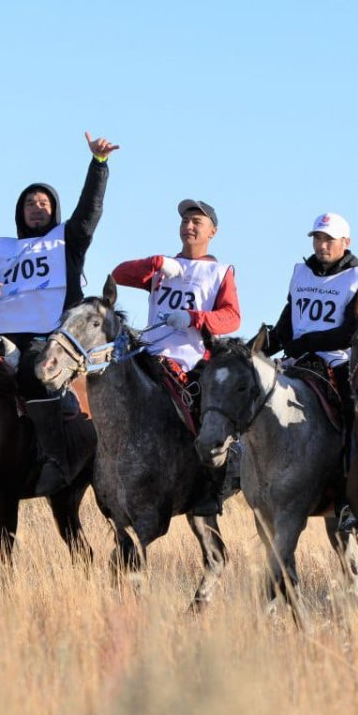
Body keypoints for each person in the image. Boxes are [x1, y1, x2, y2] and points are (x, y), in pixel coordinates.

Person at [0, 131, 119, 495]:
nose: (36, 207)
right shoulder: (5, 249)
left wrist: (99, 165)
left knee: (34, 373)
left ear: (54, 209)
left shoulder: (68, 241)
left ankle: (55, 458)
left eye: (43, 202)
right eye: (29, 202)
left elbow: (90, 211)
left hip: (48, 335)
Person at [111, 199, 242, 514]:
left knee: (210, 415)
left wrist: (195, 318)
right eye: (185, 220)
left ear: (213, 231)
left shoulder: (219, 271)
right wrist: (155, 263)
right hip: (148, 353)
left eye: (197, 221)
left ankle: (216, 479)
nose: (189, 226)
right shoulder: (164, 267)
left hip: (191, 358)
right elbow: (118, 274)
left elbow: (232, 317)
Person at [262, 212, 358, 532]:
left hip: (339, 362)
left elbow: (357, 330)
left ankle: (349, 500)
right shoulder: (301, 274)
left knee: (354, 420)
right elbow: (287, 324)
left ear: (346, 242)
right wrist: (255, 351)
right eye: (317, 238)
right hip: (298, 362)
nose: (322, 245)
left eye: (328, 239)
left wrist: (308, 341)